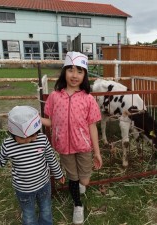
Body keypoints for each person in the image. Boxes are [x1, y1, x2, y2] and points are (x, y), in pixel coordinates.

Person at [42, 51, 103, 224]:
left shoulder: (88, 99)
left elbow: (92, 126)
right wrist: (35, 119)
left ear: (84, 75)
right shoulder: (55, 96)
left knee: (84, 179)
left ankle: (79, 186)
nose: (74, 75)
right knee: (73, 178)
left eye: (79, 71)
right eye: (71, 70)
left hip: (83, 146)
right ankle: (78, 205)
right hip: (64, 147)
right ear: (64, 72)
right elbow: (51, 121)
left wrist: (97, 152)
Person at [0, 105, 65, 225]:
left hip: (44, 185)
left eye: (33, 135)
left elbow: (50, 158)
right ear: (12, 133)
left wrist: (58, 174)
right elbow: (0, 161)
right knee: (29, 215)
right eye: (24, 137)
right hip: (24, 189)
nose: (29, 139)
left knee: (46, 210)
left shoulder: (42, 139)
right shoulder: (8, 145)